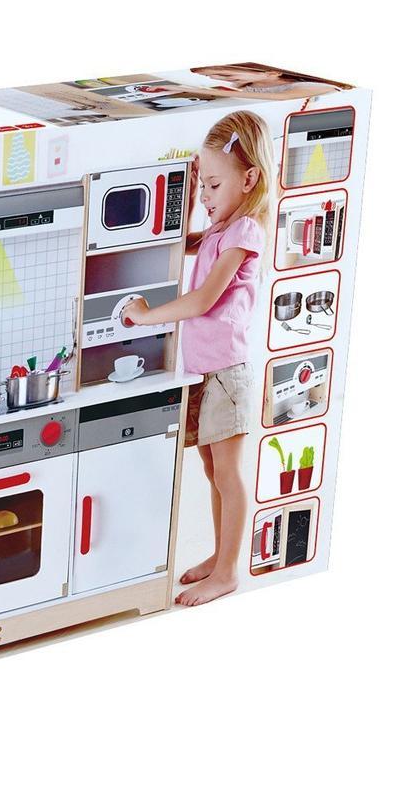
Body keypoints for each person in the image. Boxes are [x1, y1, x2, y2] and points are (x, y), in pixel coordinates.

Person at [121, 110, 274, 605]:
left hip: (227, 372)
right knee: (211, 470)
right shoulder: (218, 228)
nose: (206, 196)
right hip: (205, 371)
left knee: (228, 474)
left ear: (248, 179)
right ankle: (217, 556)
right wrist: (188, 197)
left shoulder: (243, 232)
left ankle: (227, 571)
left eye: (213, 185)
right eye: (202, 185)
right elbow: (175, 243)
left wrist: (149, 316)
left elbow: (205, 300)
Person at [189, 63, 343, 102]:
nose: (220, 78)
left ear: (272, 72)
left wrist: (199, 91)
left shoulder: (308, 87)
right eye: (212, 76)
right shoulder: (247, 86)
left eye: (225, 75)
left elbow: (279, 97)